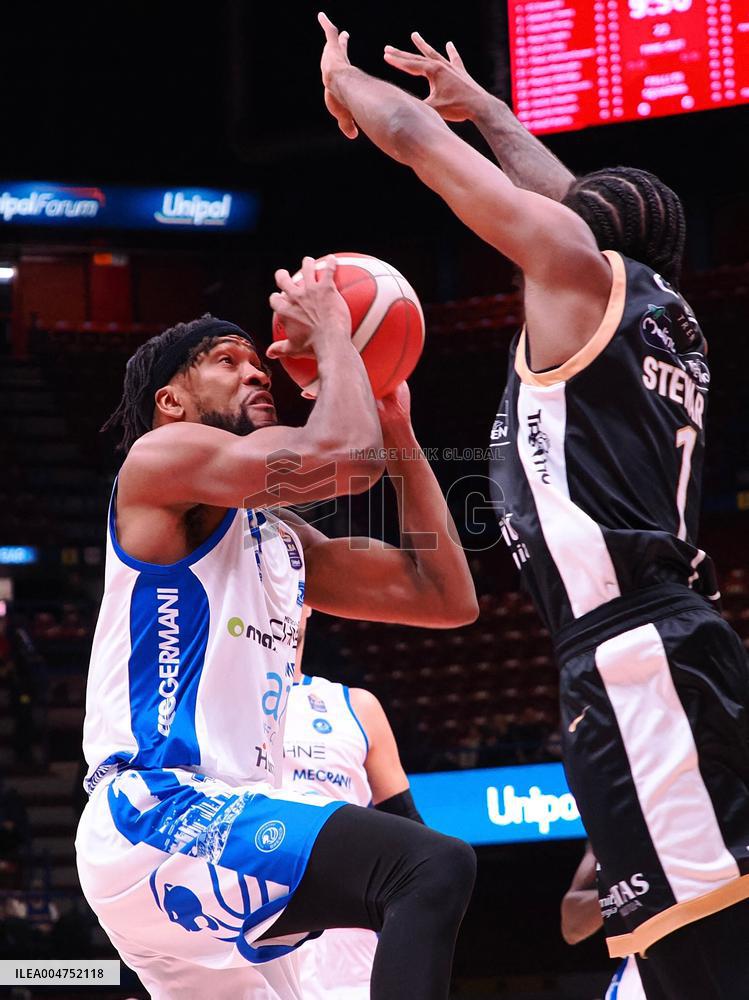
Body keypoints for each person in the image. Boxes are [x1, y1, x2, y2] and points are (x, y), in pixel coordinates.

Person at [318, 14, 749, 998]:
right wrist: (490, 109)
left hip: (634, 655)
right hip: (657, 643)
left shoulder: (576, 273)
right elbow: (567, 197)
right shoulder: (654, 309)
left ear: (582, 231)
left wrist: (347, 82)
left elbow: (426, 152)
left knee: (697, 950)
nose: (538, 207)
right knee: (682, 930)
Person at [75, 255, 478, 1000]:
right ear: (170, 401)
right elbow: (342, 460)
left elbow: (442, 595)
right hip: (160, 811)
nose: (257, 372)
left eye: (258, 361)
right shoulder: (158, 462)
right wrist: (334, 334)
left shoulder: (282, 539)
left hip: (219, 840)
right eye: (227, 363)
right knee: (428, 866)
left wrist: (397, 426)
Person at [281, 605, 424, 999]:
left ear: (307, 604)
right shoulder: (217, 705)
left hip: (352, 965)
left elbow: (411, 833)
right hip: (256, 948)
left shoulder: (356, 706)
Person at [562, 844, 645, 1000]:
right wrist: (625, 890)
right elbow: (572, 926)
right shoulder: (612, 828)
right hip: (640, 965)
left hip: (695, 948)